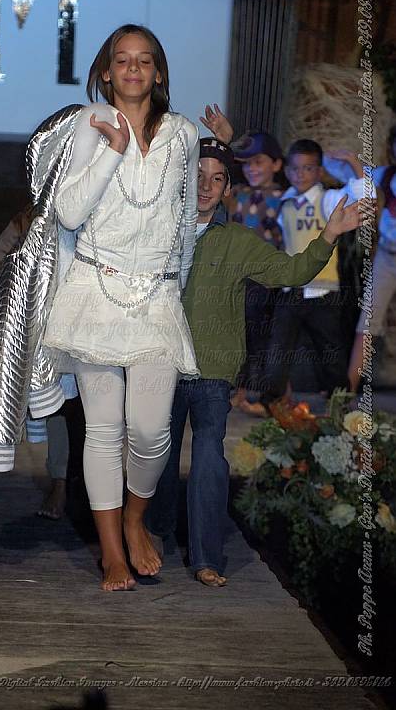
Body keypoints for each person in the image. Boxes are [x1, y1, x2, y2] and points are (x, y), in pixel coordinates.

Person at [146, 137, 366, 587]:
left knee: (209, 457)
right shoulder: (156, 232)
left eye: (217, 179)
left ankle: (206, 557)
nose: (205, 186)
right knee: (158, 456)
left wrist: (329, 234)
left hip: (211, 370)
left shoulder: (238, 242)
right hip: (160, 365)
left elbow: (292, 272)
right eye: (198, 176)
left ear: (228, 189)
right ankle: (154, 534)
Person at [42, 24, 200, 591]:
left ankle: (136, 519)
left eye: (144, 60)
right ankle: (112, 551)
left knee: (152, 431)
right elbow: (67, 211)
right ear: (106, 71)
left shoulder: (184, 134)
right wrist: (112, 149)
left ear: (158, 72)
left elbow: (186, 222)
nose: (133, 69)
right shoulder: (90, 122)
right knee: (104, 429)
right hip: (95, 290)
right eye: (123, 60)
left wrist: (176, 291)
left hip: (157, 296)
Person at [251, 139, 375, 414]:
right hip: (291, 290)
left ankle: (339, 403)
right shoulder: (284, 202)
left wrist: (353, 162)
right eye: (295, 169)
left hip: (323, 292)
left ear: (319, 172)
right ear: (287, 171)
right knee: (278, 349)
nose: (301, 174)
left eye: (308, 168)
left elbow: (364, 197)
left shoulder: (328, 200)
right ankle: (271, 402)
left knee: (330, 352)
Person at [0, 205, 76, 519]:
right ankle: (61, 482)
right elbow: (25, 220)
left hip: (96, 300)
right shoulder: (49, 191)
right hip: (50, 303)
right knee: (59, 397)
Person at [225, 131, 286, 414]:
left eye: (259, 162)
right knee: (238, 333)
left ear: (277, 164)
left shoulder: (284, 198)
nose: (252, 168)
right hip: (238, 277)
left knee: (260, 336)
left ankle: (260, 393)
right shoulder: (238, 194)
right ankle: (238, 390)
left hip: (266, 279)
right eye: (247, 163)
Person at [348, 126, 396, 391]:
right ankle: (347, 392)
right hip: (388, 256)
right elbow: (357, 175)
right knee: (368, 320)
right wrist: (349, 160)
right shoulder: (386, 175)